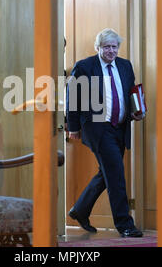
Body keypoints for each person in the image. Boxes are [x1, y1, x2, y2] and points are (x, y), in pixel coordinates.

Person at [66, 28, 144, 238]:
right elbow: (72, 96)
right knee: (116, 174)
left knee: (107, 172)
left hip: (121, 127)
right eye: (107, 47)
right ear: (98, 48)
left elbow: (128, 93)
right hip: (98, 128)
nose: (111, 51)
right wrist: (73, 126)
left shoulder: (125, 65)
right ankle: (125, 224)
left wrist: (136, 111)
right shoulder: (84, 67)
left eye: (114, 46)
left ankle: (79, 210)